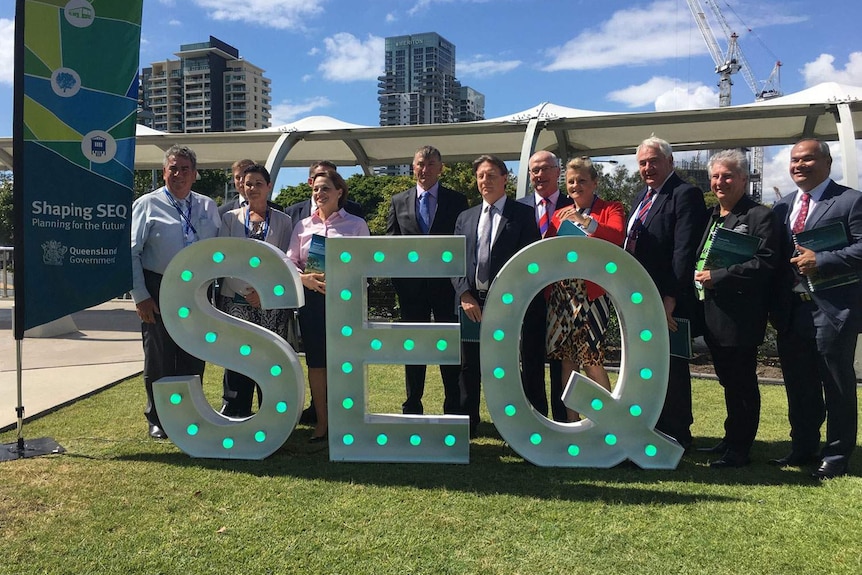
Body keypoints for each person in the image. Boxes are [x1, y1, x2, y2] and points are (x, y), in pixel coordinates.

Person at [769, 139, 862, 480]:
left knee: (836, 385)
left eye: (807, 159)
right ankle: (803, 447)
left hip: (832, 309)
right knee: (799, 384)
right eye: (794, 159)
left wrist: (821, 260)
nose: (799, 165)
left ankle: (836, 456)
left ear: (826, 162)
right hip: (792, 312)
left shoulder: (850, 200)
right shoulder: (782, 206)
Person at [693, 150, 780, 468]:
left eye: (727, 175)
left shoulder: (760, 217)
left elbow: (766, 263)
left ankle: (740, 449)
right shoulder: (712, 216)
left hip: (739, 317)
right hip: (712, 314)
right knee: (728, 380)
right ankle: (731, 439)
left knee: (742, 383)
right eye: (715, 176)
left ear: (744, 179)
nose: (720, 182)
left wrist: (717, 277)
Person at [130, 144, 221, 439]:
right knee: (159, 355)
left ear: (194, 174)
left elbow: (217, 248)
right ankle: (158, 417)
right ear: (164, 172)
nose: (178, 174)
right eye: (173, 168)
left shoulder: (208, 206)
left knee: (194, 352)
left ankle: (191, 412)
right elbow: (131, 252)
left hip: (197, 288)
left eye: (184, 169)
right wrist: (140, 295)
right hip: (158, 287)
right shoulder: (147, 204)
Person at [624, 136, 707, 449]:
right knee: (645, 365)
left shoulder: (685, 194)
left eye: (653, 161)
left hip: (666, 300)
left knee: (670, 366)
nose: (647, 168)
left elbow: (683, 251)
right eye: (643, 163)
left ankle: (676, 434)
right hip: (638, 297)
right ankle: (651, 426)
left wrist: (669, 299)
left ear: (670, 162)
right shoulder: (640, 198)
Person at [452, 155, 542, 437]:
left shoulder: (523, 215)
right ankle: (468, 423)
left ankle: (525, 426)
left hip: (509, 303)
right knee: (469, 366)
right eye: (480, 176)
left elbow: (530, 262)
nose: (485, 181)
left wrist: (510, 298)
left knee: (512, 365)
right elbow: (454, 262)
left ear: (505, 178)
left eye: (491, 175)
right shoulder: (465, 217)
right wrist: (464, 293)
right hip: (471, 302)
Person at [287, 169, 370, 442]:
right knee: (317, 363)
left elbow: (368, 264)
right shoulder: (302, 226)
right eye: (315, 189)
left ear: (339, 192)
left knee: (345, 362)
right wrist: (304, 279)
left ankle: (347, 422)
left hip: (346, 302)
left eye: (325, 189)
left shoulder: (356, 225)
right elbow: (290, 262)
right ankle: (322, 423)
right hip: (312, 302)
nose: (319, 193)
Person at [387, 145, 468, 415]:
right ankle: (412, 405)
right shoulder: (398, 201)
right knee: (413, 348)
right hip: (411, 291)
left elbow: (462, 245)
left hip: (448, 288)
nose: (425, 169)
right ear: (413, 166)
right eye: (421, 163)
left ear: (441, 168)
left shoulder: (457, 201)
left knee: (450, 349)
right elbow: (392, 246)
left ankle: (454, 407)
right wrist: (400, 285)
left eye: (431, 164)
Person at [545, 157, 625, 421]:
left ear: (595, 183)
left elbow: (616, 237)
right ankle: (572, 422)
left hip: (592, 295)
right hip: (563, 297)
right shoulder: (558, 214)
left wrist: (584, 220)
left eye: (581, 180)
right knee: (568, 360)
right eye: (571, 181)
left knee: (592, 359)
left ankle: (607, 422)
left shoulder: (610, 208)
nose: (575, 185)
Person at [217, 164, 293, 417]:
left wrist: (262, 292)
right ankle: (237, 409)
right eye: (248, 184)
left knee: (268, 357)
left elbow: (285, 262)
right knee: (239, 355)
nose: (252, 188)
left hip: (270, 301)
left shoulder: (283, 221)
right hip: (236, 299)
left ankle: (269, 410)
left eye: (258, 183)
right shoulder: (229, 219)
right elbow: (224, 259)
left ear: (269, 186)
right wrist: (246, 290)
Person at [517, 150, 574, 419]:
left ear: (557, 171)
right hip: (528, 295)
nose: (539, 175)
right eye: (534, 170)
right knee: (529, 357)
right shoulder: (518, 208)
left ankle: (562, 418)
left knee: (562, 359)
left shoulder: (573, 205)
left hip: (565, 296)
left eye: (544, 169)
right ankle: (536, 417)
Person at [284, 161, 365, 222]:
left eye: (332, 176)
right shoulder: (291, 213)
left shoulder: (354, 211)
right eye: (321, 175)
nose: (326, 178)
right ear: (310, 182)